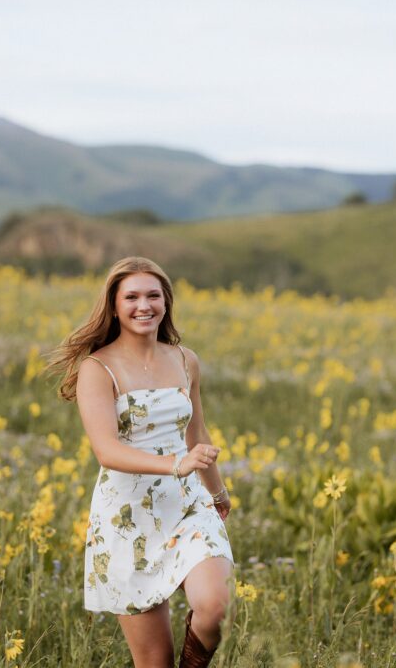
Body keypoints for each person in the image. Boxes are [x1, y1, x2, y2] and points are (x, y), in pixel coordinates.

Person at [48, 257, 235, 667]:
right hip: (127, 518)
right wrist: (175, 464)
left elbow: (197, 435)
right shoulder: (97, 368)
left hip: (188, 505)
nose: (143, 305)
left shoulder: (186, 360)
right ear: (113, 306)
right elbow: (107, 451)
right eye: (131, 297)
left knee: (216, 607)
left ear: (166, 302)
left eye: (153, 295)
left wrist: (217, 491)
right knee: (155, 663)